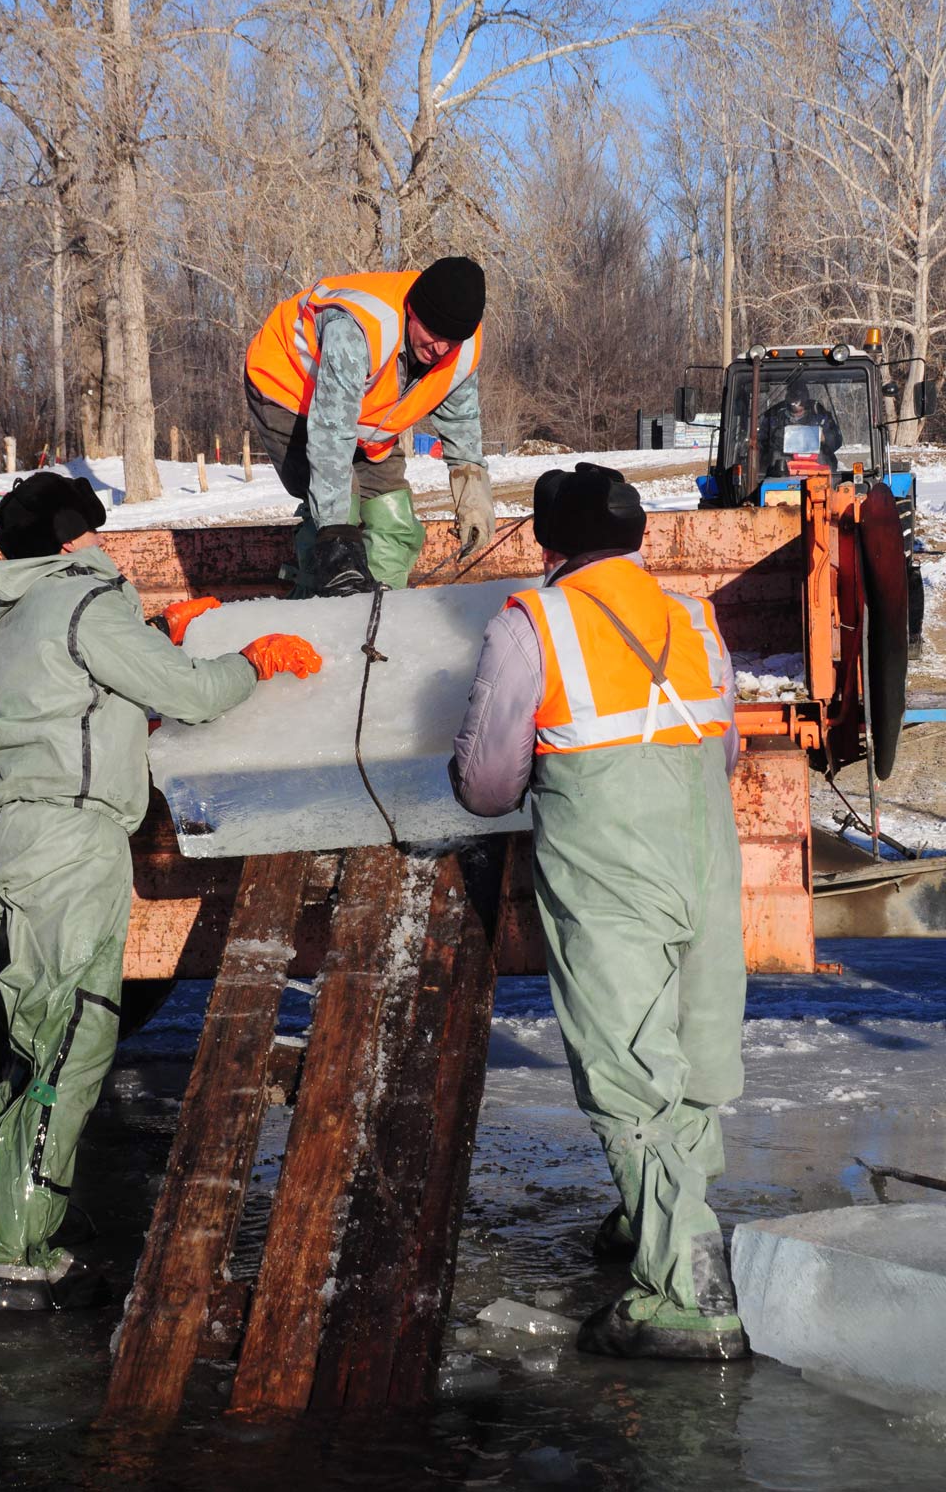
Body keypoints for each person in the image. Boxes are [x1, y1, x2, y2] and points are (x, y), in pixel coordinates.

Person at [0, 472, 322, 1313]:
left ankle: (2, 1227)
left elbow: (82, 706)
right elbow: (189, 697)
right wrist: (248, 664)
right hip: (63, 843)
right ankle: (9, 1252)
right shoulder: (84, 597)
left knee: (26, 1042)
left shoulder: (19, 614)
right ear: (77, 535)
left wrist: (155, 635)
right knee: (73, 1037)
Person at [450, 462, 748, 1361]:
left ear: (547, 543)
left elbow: (487, 783)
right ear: (636, 535)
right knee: (694, 1056)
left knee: (627, 1071)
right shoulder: (694, 616)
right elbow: (725, 748)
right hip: (704, 856)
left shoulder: (531, 624)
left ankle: (691, 1296)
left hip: (609, 868)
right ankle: (652, 1218)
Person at [245, 256, 496, 597]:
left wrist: (474, 502)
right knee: (338, 511)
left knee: (396, 521)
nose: (439, 348)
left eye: (450, 342)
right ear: (413, 311)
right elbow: (332, 433)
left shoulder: (462, 348)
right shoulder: (358, 328)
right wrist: (335, 535)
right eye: (432, 333)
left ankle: (379, 620)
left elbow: (462, 423)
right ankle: (315, 606)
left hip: (366, 414)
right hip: (286, 391)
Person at [757, 377, 842, 475]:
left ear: (806, 397)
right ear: (787, 396)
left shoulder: (820, 416)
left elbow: (837, 441)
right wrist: (776, 439)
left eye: (800, 395)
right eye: (793, 395)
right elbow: (760, 443)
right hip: (780, 473)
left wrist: (825, 438)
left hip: (819, 474)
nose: (797, 400)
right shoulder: (774, 416)